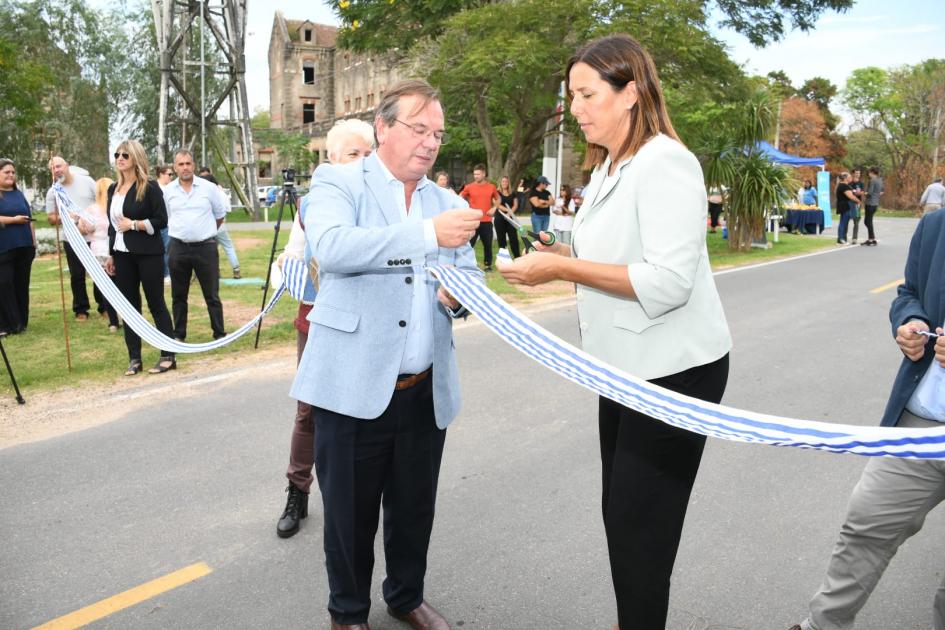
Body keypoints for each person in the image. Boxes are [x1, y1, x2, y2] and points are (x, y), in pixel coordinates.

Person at [497, 34, 731, 630]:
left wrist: (563, 268)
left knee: (640, 532)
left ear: (631, 93)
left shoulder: (665, 161)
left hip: (673, 371)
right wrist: (563, 248)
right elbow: (619, 251)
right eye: (570, 95)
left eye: (587, 93)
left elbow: (670, 280)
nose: (574, 108)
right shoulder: (607, 166)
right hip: (622, 368)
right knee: (622, 518)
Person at [289, 79, 483, 630]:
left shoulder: (446, 200)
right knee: (348, 516)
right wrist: (425, 235)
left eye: (438, 134)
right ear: (382, 129)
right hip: (351, 385)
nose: (429, 143)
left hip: (423, 387)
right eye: (418, 129)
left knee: (414, 507)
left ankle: (405, 596)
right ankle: (347, 614)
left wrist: (459, 295)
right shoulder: (338, 180)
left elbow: (468, 271)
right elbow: (333, 249)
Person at [787, 206, 945, 630]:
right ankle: (824, 624)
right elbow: (909, 291)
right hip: (921, 423)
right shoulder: (936, 224)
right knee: (867, 524)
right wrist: (911, 319)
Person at [275, 117, 375, 539]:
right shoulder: (310, 204)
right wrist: (289, 269)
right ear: (332, 160)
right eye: (353, 154)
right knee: (309, 410)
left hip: (370, 321)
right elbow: (292, 255)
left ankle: (362, 496)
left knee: (369, 407)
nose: (362, 162)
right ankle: (297, 491)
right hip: (318, 319)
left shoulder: (384, 203)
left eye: (368, 154)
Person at [103, 140, 176, 376]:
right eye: (117, 154)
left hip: (148, 254)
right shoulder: (113, 188)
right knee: (130, 307)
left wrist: (134, 224)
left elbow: (161, 220)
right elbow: (113, 226)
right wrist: (111, 254)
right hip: (122, 255)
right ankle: (135, 358)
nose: (120, 158)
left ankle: (168, 354)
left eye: (125, 154)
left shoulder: (150, 187)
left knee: (156, 303)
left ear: (136, 157)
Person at [163, 150, 227, 343]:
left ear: (194, 165)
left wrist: (204, 232)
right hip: (178, 248)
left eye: (188, 163)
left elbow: (219, 215)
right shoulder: (167, 192)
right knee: (179, 295)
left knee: (212, 294)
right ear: (175, 168)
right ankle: (179, 335)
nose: (185, 167)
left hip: (205, 248)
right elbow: (166, 217)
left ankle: (219, 333)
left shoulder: (209, 188)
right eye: (181, 164)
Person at [45, 156, 104, 321]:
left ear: (67, 166)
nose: (57, 170)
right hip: (71, 239)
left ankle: (104, 306)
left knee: (99, 272)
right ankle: (81, 309)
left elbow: (102, 202)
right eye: (53, 168)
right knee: (77, 275)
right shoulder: (53, 191)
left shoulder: (87, 182)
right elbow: (51, 218)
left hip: (94, 236)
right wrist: (70, 218)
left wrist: (91, 219)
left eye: (59, 166)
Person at [78, 177, 120, 332]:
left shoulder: (91, 210)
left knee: (107, 287)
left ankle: (113, 320)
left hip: (98, 249)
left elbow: (86, 229)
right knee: (121, 285)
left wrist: (80, 223)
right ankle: (118, 318)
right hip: (113, 248)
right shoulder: (115, 207)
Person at [0, 158, 36, 335]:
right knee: (5, 285)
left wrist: (33, 242)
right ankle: (8, 324)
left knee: (21, 285)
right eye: (6, 172)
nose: (11, 175)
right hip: (4, 249)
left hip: (24, 247)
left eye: (13, 172)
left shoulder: (19, 194)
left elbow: (29, 220)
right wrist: (13, 220)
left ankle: (21, 322)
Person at [197, 167, 241, 279]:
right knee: (228, 247)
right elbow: (227, 209)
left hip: (207, 226)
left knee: (207, 250)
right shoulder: (221, 193)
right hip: (220, 224)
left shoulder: (202, 193)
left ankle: (212, 271)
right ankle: (236, 270)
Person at [460, 164, 500, 271]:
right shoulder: (469, 187)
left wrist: (494, 208)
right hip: (473, 221)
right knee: (468, 245)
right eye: (474, 174)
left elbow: (498, 198)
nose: (475, 176)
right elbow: (459, 197)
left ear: (484, 174)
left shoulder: (491, 187)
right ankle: (465, 264)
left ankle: (488, 265)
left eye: (478, 174)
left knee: (487, 245)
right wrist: (466, 208)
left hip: (487, 222)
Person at [494, 175, 521, 258]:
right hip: (499, 218)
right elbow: (497, 205)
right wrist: (507, 210)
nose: (504, 183)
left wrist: (509, 214)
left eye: (506, 181)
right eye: (503, 181)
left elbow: (515, 205)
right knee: (501, 239)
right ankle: (504, 258)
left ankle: (517, 257)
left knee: (513, 238)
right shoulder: (496, 192)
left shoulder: (513, 193)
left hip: (510, 218)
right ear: (500, 183)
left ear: (508, 183)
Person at [155, 165, 173, 281]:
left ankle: (167, 274)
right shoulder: (154, 187)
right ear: (161, 174)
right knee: (159, 251)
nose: (171, 177)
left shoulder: (170, 188)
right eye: (169, 174)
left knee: (167, 250)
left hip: (168, 225)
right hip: (157, 224)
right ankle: (163, 273)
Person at [835, 172, 859, 245]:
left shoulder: (843, 185)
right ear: (845, 178)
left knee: (844, 222)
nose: (851, 178)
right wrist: (858, 201)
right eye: (849, 177)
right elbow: (850, 196)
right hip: (845, 206)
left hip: (843, 205)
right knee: (843, 223)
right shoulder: (843, 186)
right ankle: (841, 239)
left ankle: (842, 239)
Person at [862, 167, 883, 246]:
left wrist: (864, 193)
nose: (868, 174)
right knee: (868, 221)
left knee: (867, 221)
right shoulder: (880, 180)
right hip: (876, 203)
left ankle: (872, 239)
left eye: (869, 172)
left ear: (872, 172)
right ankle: (871, 238)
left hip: (870, 203)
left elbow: (870, 192)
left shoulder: (872, 180)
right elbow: (881, 191)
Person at [850, 169, 865, 244]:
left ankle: (854, 238)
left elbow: (862, 192)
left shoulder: (861, 183)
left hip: (857, 204)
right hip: (850, 204)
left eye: (859, 173)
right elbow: (849, 193)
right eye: (856, 173)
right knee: (846, 220)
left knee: (856, 221)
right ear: (853, 174)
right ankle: (843, 238)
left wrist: (857, 193)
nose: (857, 174)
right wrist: (854, 192)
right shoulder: (850, 183)